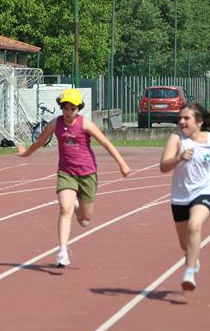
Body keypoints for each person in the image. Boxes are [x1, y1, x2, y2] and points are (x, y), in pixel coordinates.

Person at [16, 89, 131, 267]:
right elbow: (40, 142)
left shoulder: (85, 124)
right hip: (66, 173)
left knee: (85, 220)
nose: (68, 112)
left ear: (78, 109)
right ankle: (62, 251)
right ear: (61, 108)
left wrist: (122, 164)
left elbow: (106, 143)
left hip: (87, 174)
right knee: (64, 209)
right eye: (65, 108)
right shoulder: (55, 124)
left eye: (73, 109)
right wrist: (26, 153)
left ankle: (79, 209)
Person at [159, 103, 210, 291]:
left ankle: (189, 273)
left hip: (205, 191)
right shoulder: (176, 139)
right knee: (185, 245)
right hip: (180, 196)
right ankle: (192, 259)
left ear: (199, 121)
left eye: (186, 118)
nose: (181, 122)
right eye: (180, 118)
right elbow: (163, 167)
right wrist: (179, 157)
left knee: (194, 225)